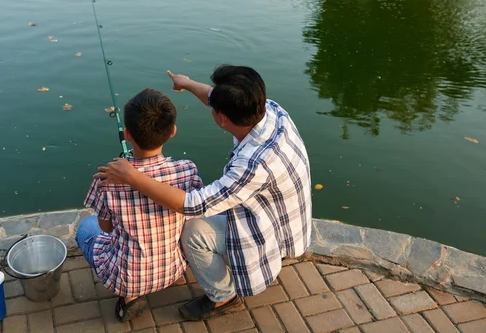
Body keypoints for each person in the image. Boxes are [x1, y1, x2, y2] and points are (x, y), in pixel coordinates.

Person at [95, 65, 312, 321]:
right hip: (285, 215)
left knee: (194, 231)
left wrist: (131, 175)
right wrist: (186, 83)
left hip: (270, 228)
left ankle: (224, 296)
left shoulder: (253, 165)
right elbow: (217, 98)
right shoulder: (272, 111)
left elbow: (194, 205)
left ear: (220, 117)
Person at [76, 88, 203, 322]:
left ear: (127, 134)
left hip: (127, 278)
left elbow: (105, 228)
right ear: (172, 131)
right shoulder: (188, 170)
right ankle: (158, 278)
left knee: (86, 227)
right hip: (174, 268)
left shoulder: (107, 179)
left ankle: (131, 298)